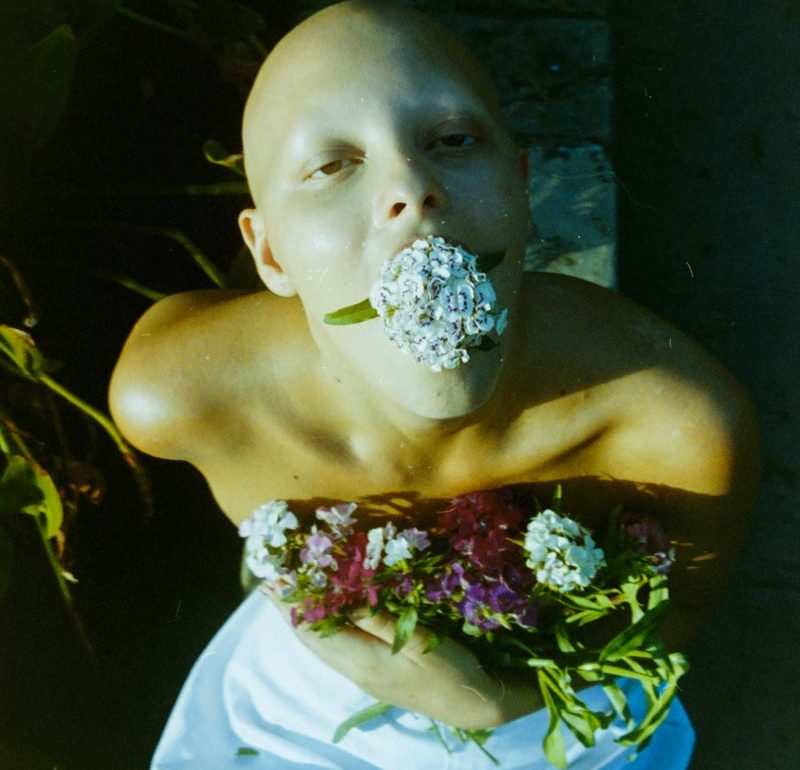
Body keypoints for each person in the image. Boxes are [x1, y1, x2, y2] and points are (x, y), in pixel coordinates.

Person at [109, 2, 759, 767]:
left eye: (451, 140)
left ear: (521, 191)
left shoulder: (677, 428)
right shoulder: (184, 397)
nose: (410, 187)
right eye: (332, 164)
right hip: (291, 718)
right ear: (271, 252)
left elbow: (675, 615)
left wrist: (504, 699)